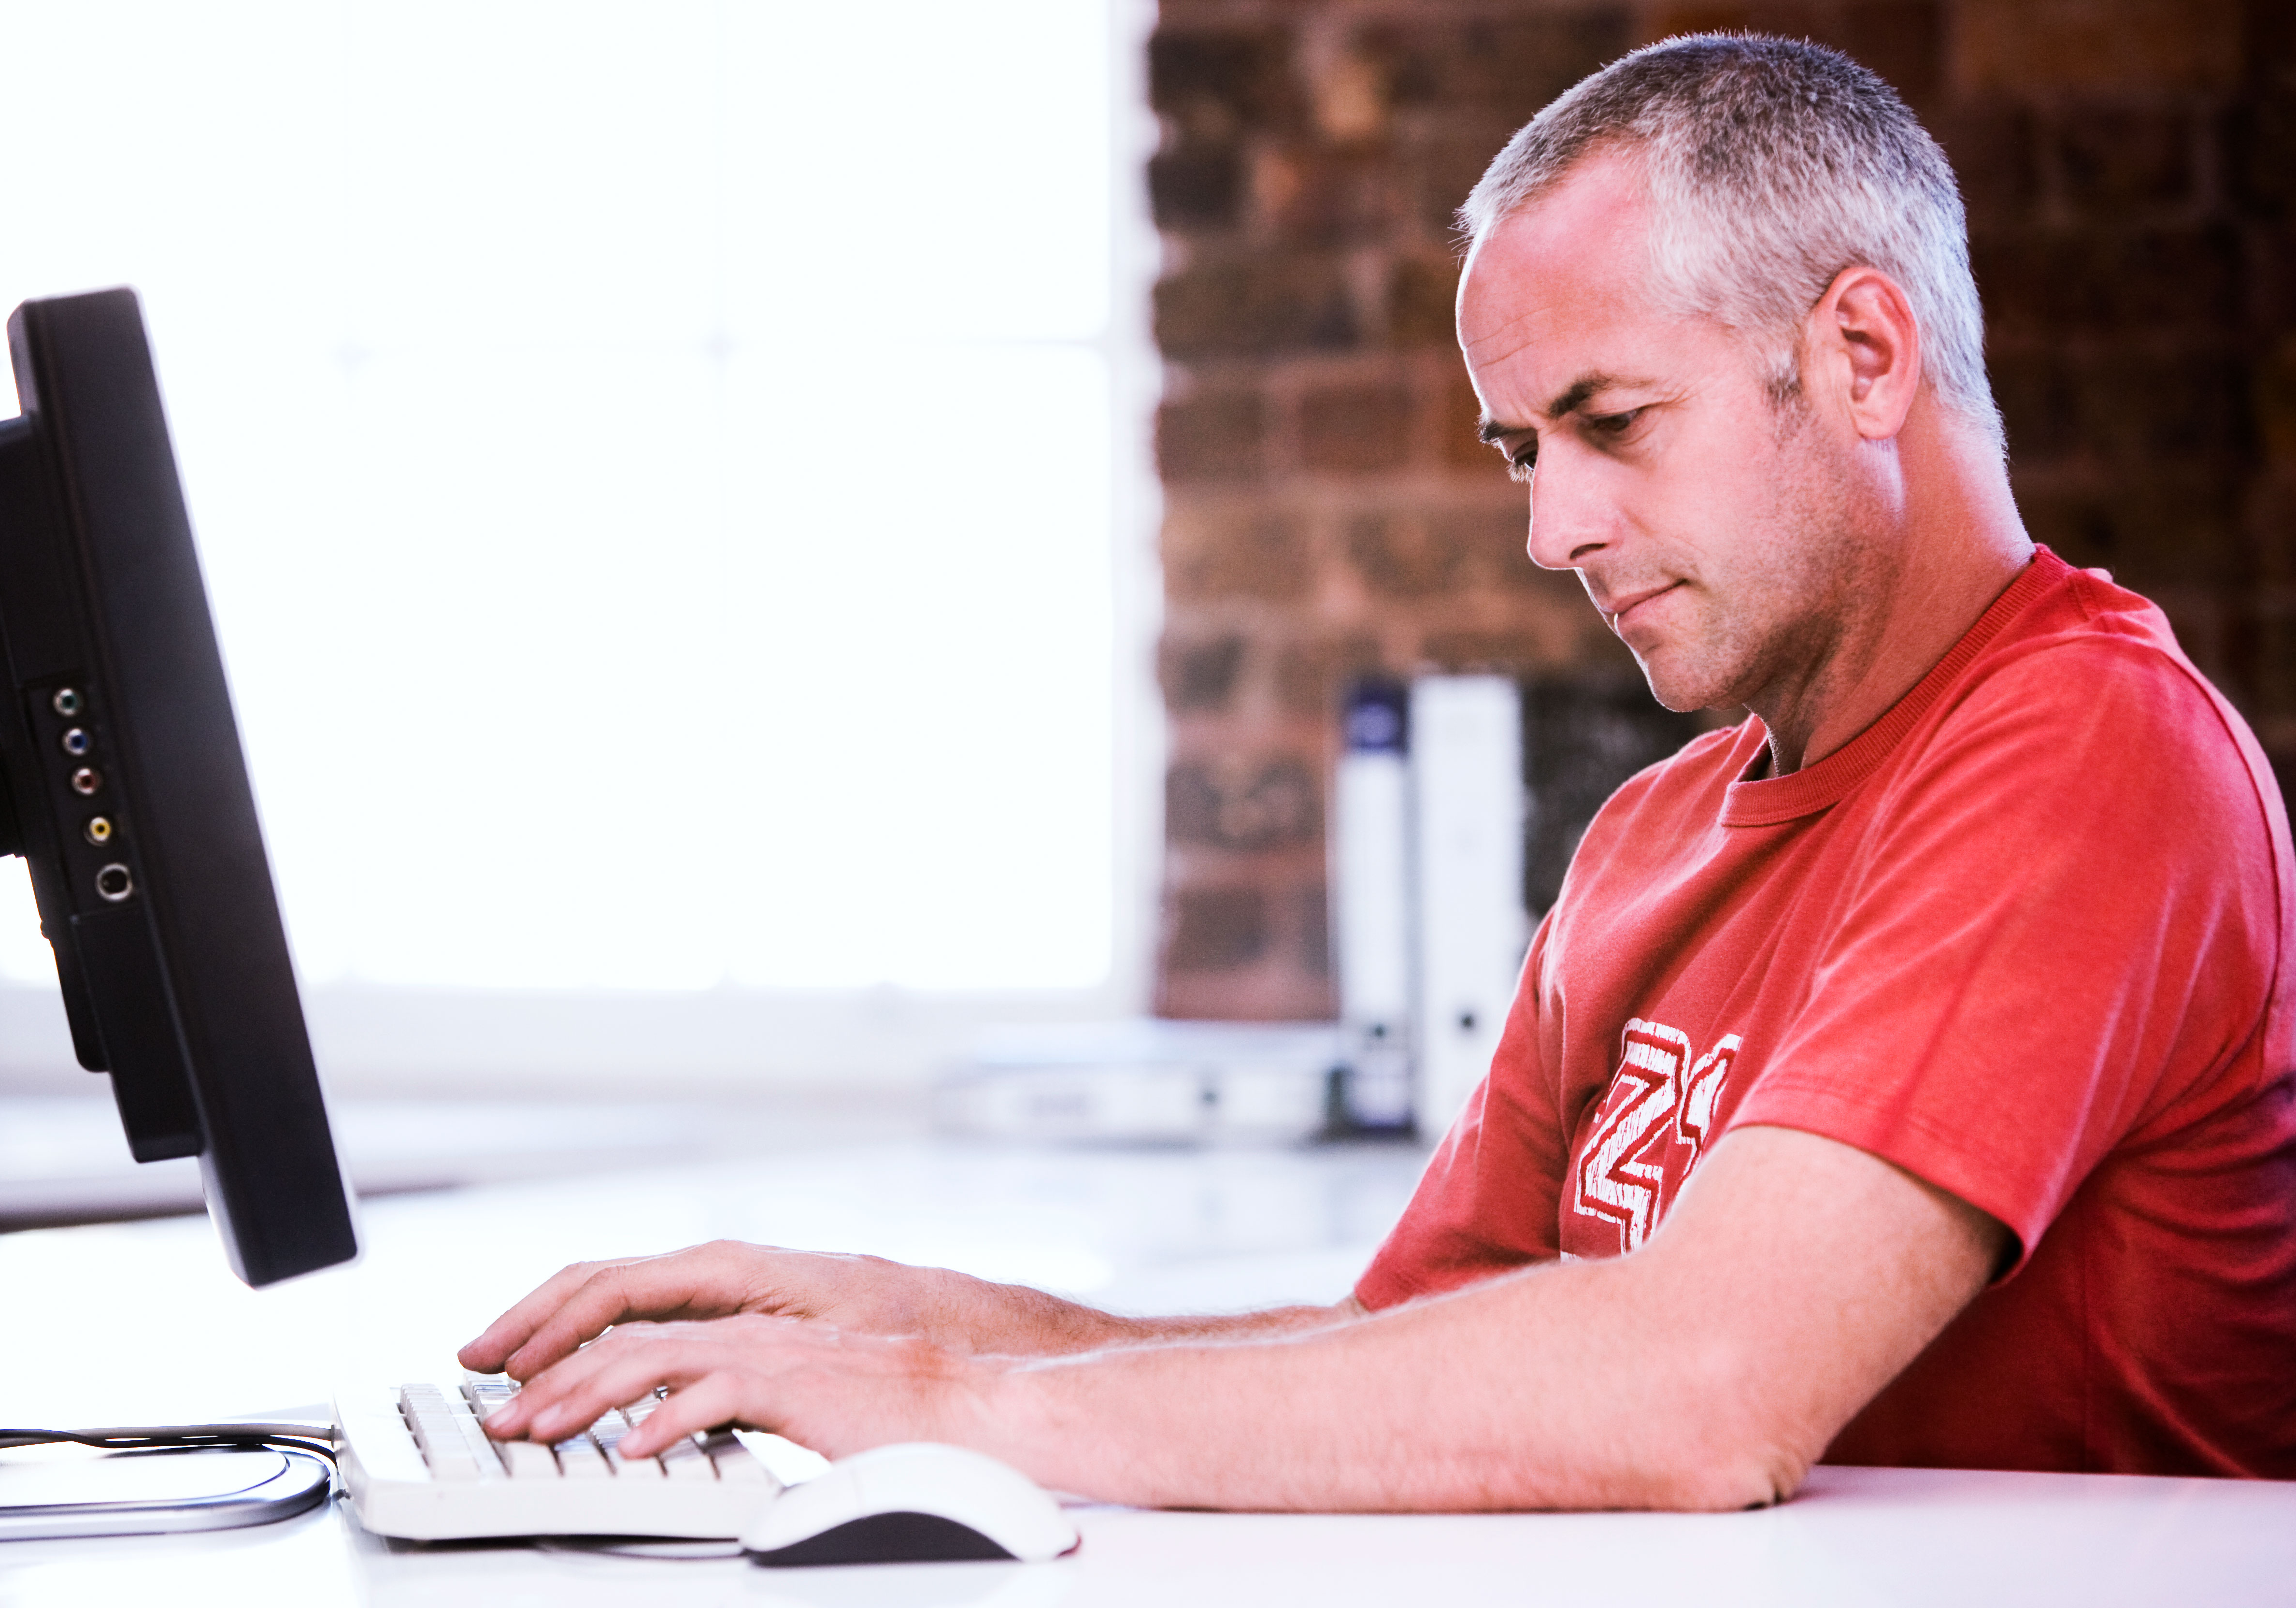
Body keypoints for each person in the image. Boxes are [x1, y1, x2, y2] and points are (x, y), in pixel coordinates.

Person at [462, 36, 2296, 1508]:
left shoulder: (2089, 749)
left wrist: (956, 1404)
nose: (1554, 530)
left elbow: (1696, 1392)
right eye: (1523, 455)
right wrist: (945, 1330)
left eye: (1613, 425)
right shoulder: (1654, 838)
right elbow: (1416, 1372)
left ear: (1863, 355)